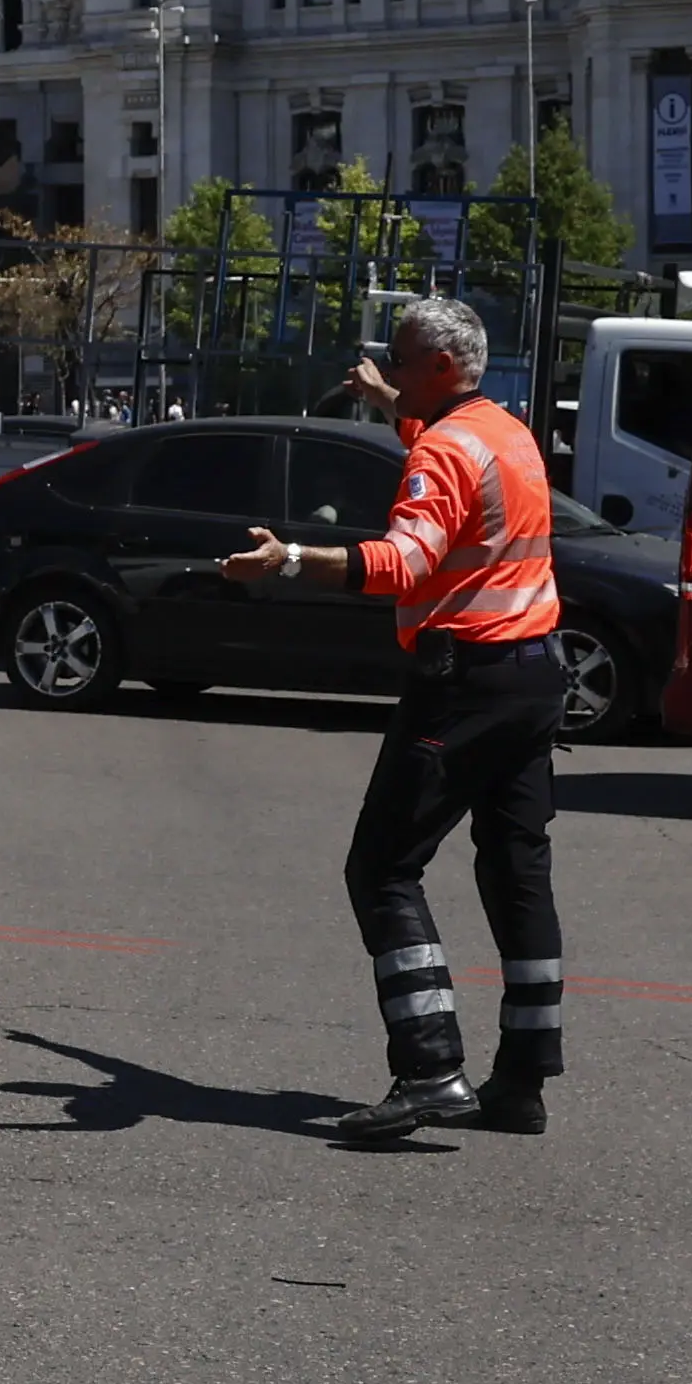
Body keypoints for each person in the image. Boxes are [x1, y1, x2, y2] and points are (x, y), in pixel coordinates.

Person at [216, 294, 567, 1148]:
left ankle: (430, 1068)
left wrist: (290, 560)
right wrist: (389, 401)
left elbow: (404, 562)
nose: (390, 369)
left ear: (442, 367)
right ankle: (522, 1081)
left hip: (466, 682)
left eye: (402, 361)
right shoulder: (504, 433)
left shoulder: (444, 449)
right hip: (533, 676)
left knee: (381, 867)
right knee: (515, 868)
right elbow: (445, 462)